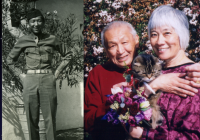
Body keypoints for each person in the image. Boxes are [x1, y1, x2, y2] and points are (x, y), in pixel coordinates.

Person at [84, 20, 200, 140]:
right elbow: (88, 123)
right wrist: (116, 101)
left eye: (124, 42)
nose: (120, 50)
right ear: (106, 50)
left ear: (136, 40)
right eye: (112, 46)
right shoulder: (98, 73)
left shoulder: (154, 66)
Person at [128, 5, 200, 139]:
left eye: (167, 33)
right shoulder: (153, 74)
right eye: (154, 34)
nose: (160, 41)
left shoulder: (194, 76)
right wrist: (154, 85)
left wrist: (145, 134)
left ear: (181, 35)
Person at [6, 8, 66, 140]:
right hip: (30, 80)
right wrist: (20, 76)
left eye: (39, 21)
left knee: (50, 118)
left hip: (47, 79)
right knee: (31, 119)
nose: (36, 24)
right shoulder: (23, 40)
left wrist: (56, 73)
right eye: (33, 21)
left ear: (43, 23)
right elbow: (9, 60)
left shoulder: (52, 39)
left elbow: (68, 55)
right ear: (28, 24)